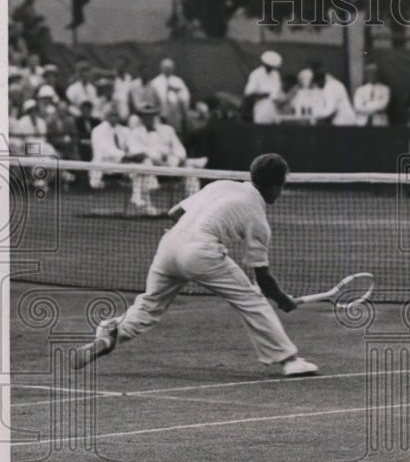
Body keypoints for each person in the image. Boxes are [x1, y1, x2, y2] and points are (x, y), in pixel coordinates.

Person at [72, 153, 319, 377]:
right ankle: (288, 360)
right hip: (201, 253)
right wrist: (282, 299)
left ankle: (111, 335)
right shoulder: (258, 216)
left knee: (149, 305)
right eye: (282, 187)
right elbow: (262, 277)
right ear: (276, 187)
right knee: (252, 300)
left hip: (169, 244)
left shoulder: (222, 185)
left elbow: (174, 212)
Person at [125, 103, 191, 214]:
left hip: (170, 166)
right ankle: (147, 207)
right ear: (140, 117)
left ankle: (191, 208)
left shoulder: (168, 130)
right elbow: (135, 151)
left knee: (191, 169)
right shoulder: (134, 133)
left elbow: (179, 148)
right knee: (145, 165)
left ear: (155, 116)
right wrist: (156, 159)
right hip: (150, 167)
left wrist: (177, 159)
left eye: (151, 115)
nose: (148, 118)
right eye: (145, 115)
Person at [89, 104, 130, 190]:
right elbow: (106, 151)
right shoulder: (97, 130)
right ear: (106, 116)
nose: (114, 118)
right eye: (112, 115)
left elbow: (130, 145)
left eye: (116, 115)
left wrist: (131, 154)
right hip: (104, 164)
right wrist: (125, 156)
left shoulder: (125, 130)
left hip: (122, 163)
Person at [148, 58, 192, 135]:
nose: (168, 70)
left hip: (176, 113)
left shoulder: (178, 80)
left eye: (170, 68)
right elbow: (152, 100)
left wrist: (177, 92)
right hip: (162, 114)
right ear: (161, 68)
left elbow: (186, 96)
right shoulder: (155, 82)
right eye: (166, 67)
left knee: (176, 133)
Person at [245, 50, 284, 125]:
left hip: (275, 110)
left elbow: (277, 91)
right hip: (261, 109)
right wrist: (266, 94)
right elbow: (248, 94)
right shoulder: (256, 74)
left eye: (273, 67)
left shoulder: (276, 74)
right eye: (269, 66)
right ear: (264, 64)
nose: (271, 69)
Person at [352, 62, 391, 126]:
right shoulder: (360, 90)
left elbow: (383, 106)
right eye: (369, 73)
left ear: (378, 74)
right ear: (366, 75)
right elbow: (357, 106)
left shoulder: (385, 89)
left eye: (374, 73)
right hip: (362, 123)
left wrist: (365, 104)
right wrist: (376, 105)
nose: (372, 75)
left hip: (379, 124)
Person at [111, 55, 143, 121]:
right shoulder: (112, 79)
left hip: (127, 112)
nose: (120, 67)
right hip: (114, 112)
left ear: (126, 66)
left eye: (122, 64)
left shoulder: (129, 78)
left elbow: (131, 96)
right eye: (118, 64)